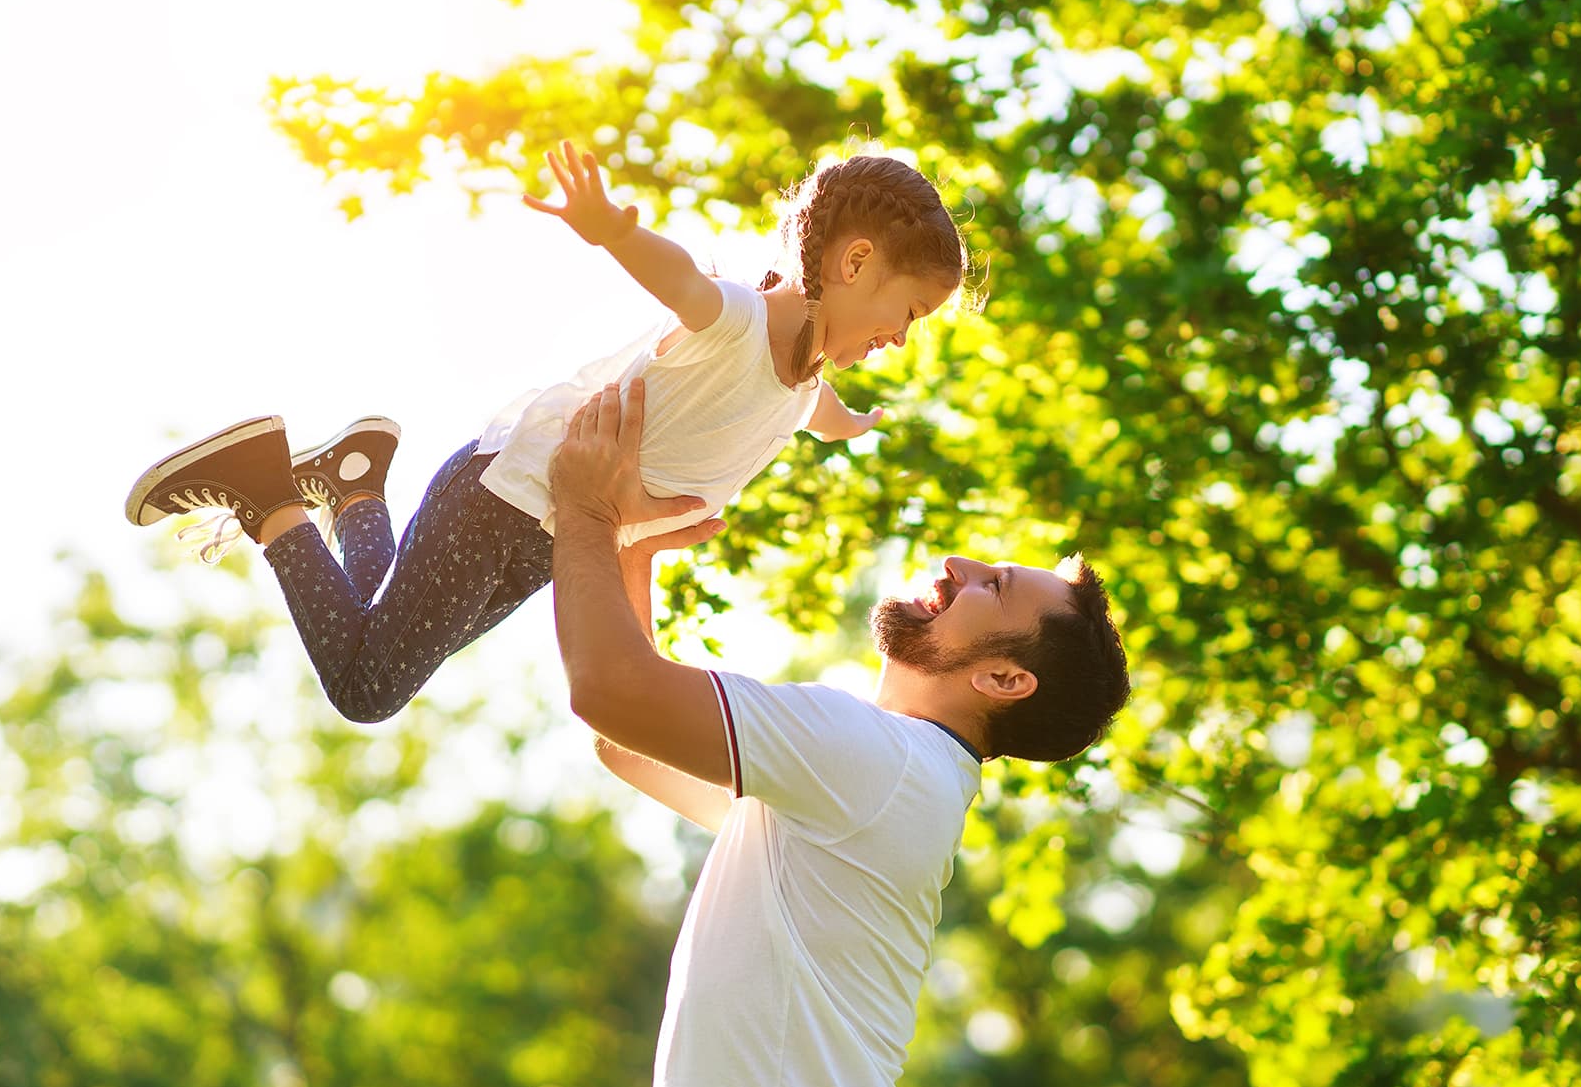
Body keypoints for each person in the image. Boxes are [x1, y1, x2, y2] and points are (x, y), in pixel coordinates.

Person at [123, 140, 971, 722]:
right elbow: (681, 280)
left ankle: (353, 483)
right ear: (855, 262)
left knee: (390, 637)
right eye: (909, 311)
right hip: (507, 498)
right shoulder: (739, 322)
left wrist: (844, 424)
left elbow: (808, 412)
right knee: (370, 684)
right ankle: (265, 488)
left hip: (554, 540)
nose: (901, 336)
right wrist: (614, 230)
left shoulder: (804, 382)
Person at [547, 379, 1131, 1087]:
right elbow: (628, 739)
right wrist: (630, 548)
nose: (958, 562)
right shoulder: (884, 785)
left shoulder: (875, 762)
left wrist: (586, 508)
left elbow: (611, 695)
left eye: (994, 586)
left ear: (1002, 680)